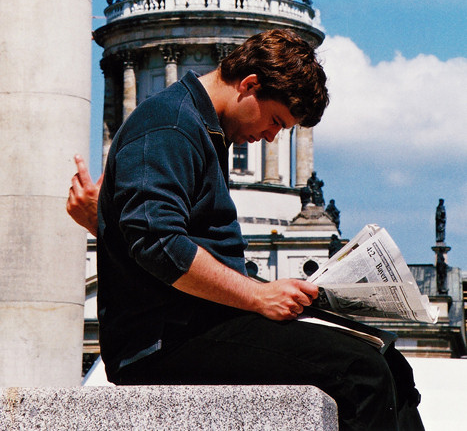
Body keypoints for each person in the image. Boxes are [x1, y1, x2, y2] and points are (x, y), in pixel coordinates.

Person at [68, 29, 424, 431]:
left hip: (201, 322)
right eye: (275, 121)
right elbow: (158, 244)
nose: (271, 137)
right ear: (250, 84)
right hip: (163, 340)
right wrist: (257, 295)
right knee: (361, 372)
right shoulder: (168, 125)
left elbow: (160, 235)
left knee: (388, 360)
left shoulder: (199, 128)